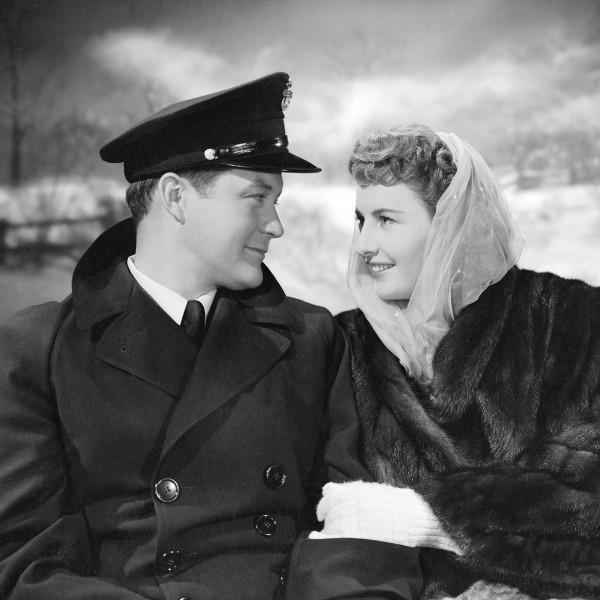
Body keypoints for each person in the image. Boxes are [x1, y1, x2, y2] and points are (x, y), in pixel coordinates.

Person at [0, 74, 422, 599]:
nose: (276, 225)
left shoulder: (312, 339)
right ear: (176, 196)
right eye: (256, 197)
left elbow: (350, 527)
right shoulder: (34, 350)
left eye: (276, 201)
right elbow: (23, 565)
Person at [312, 124, 600, 599]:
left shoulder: (572, 321)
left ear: (451, 225)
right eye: (361, 220)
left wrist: (428, 517)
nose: (362, 245)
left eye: (386, 219)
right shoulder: (344, 348)